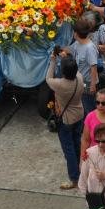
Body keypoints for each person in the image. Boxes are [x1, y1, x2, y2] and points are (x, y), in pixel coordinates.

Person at [46, 52, 84, 190]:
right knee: (77, 144)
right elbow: (75, 69)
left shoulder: (60, 84)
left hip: (66, 120)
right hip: (79, 115)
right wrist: (66, 58)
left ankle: (74, 178)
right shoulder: (79, 77)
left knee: (69, 150)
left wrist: (53, 61)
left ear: (63, 71)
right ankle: (82, 170)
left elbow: (48, 78)